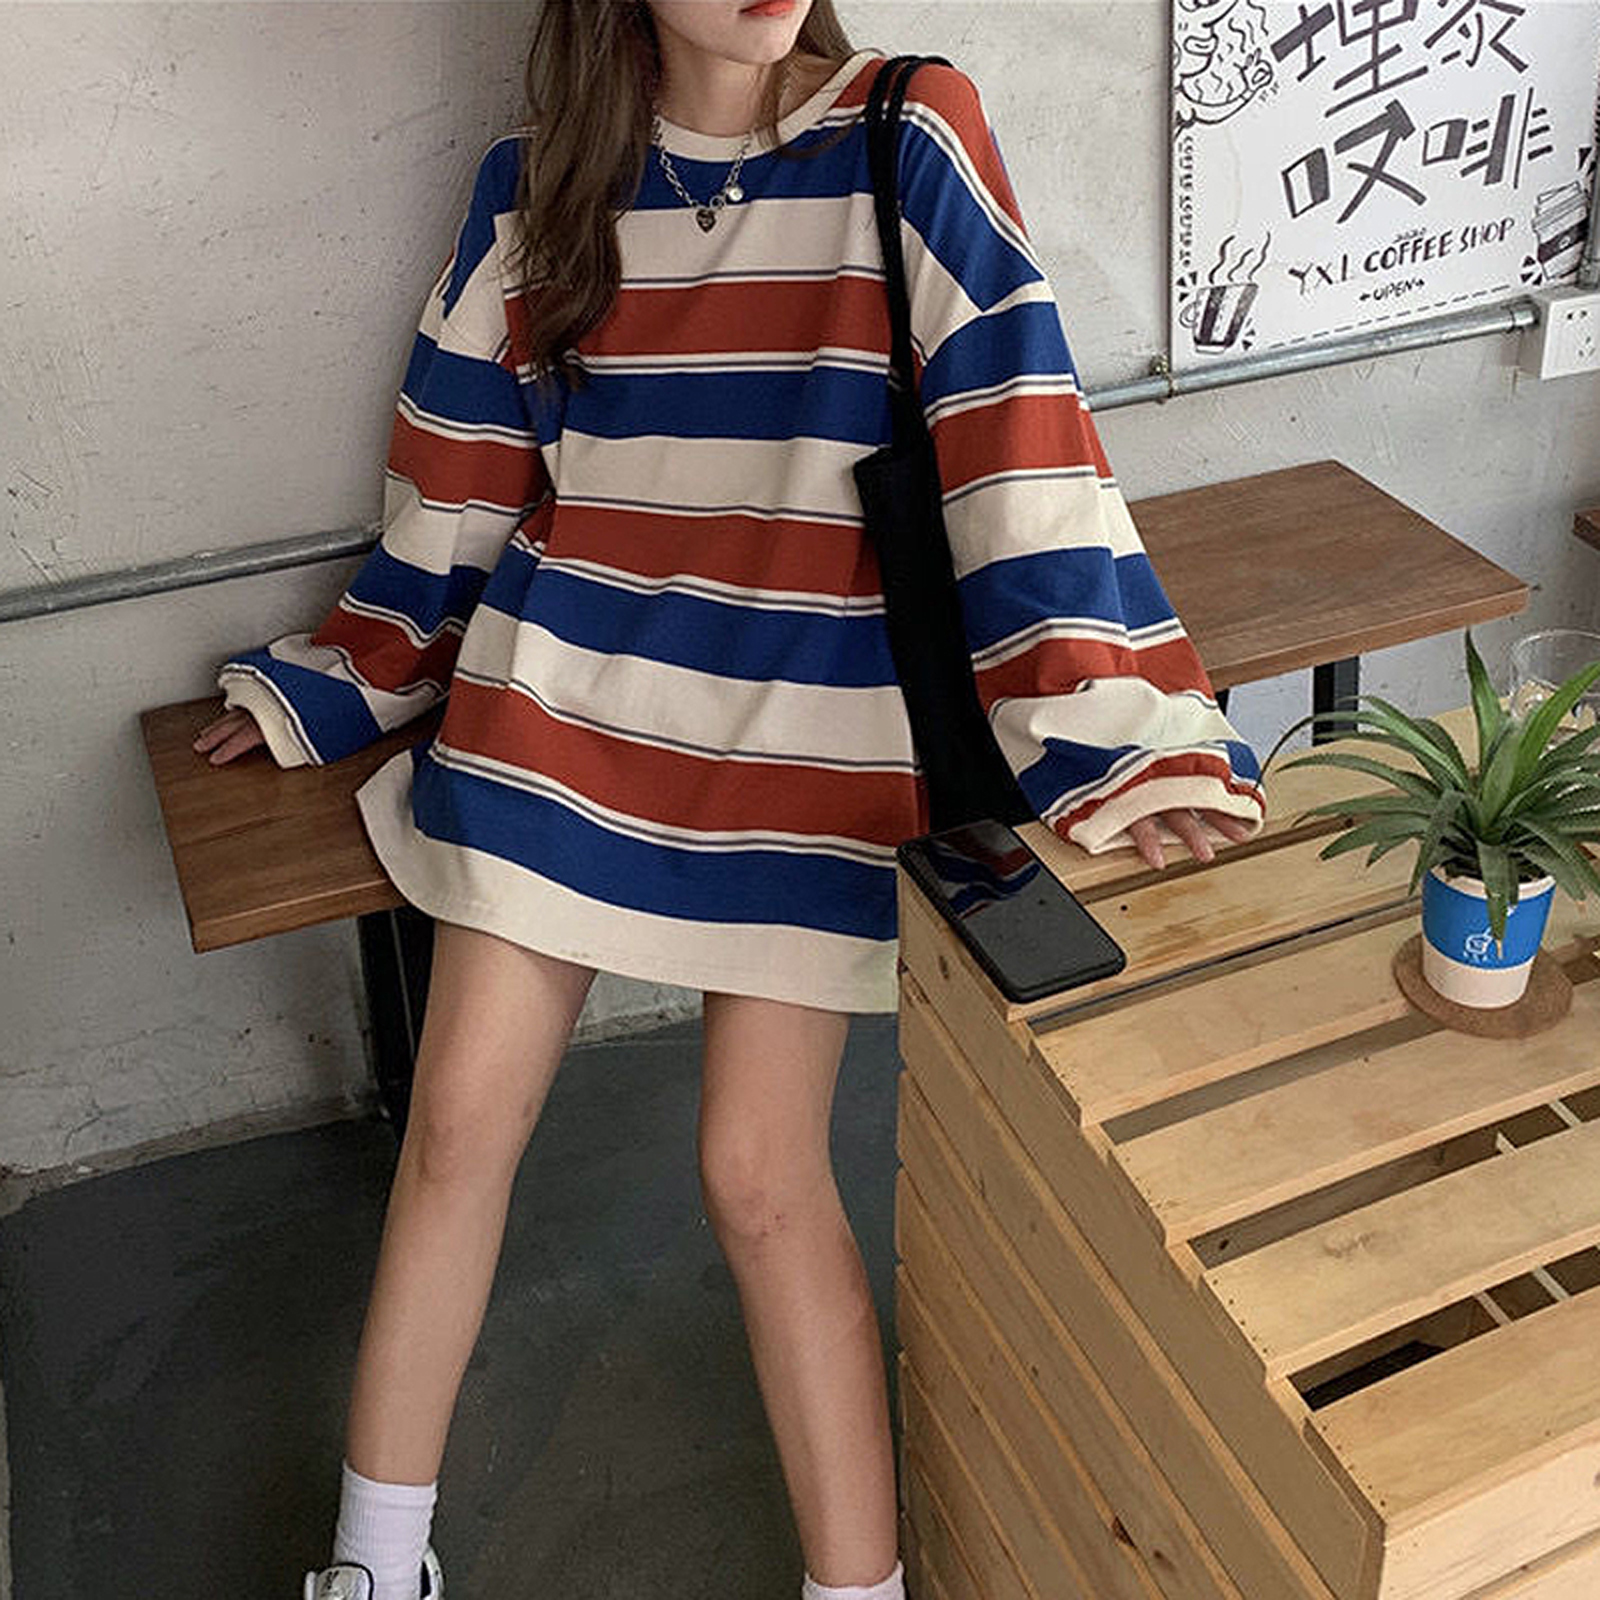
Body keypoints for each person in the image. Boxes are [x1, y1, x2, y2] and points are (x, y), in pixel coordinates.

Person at [194, 4, 1267, 1597]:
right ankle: (372, 1564)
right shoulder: (541, 182)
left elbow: (1020, 437)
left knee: (759, 1176)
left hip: (811, 725)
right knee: (459, 1127)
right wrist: (344, 677)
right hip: (566, 701)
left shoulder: (907, 129)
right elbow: (465, 472)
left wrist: (1116, 730)